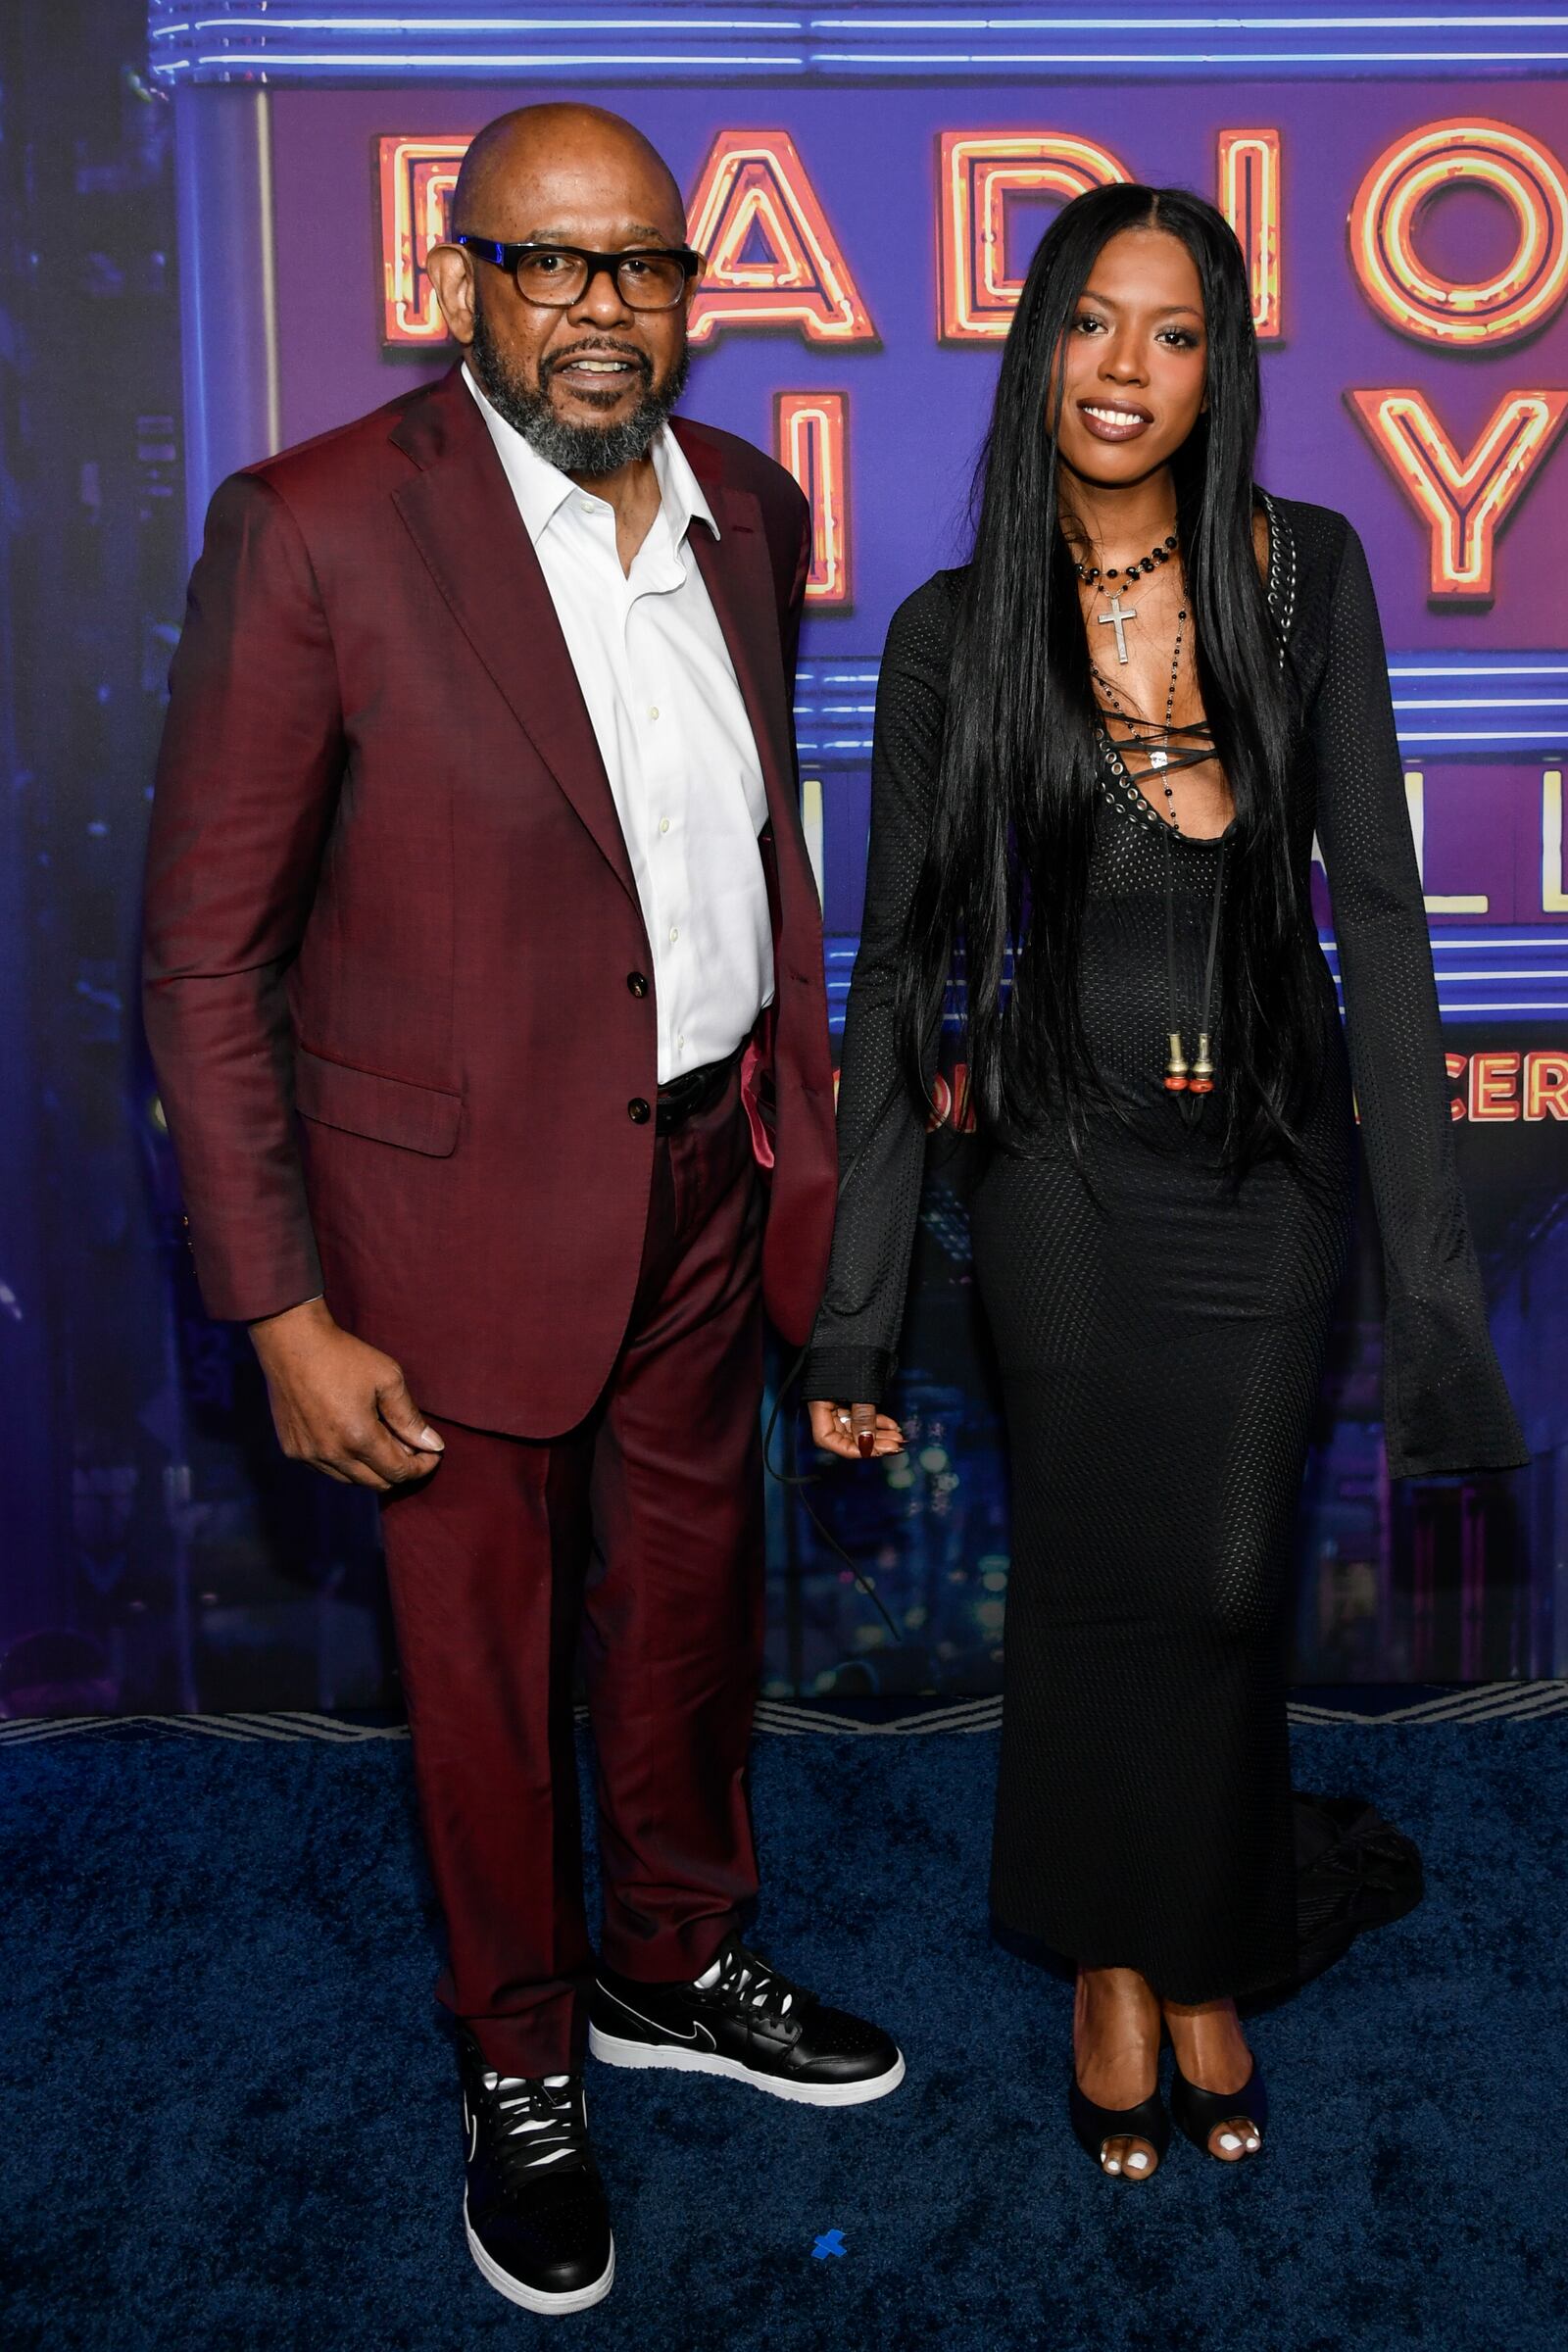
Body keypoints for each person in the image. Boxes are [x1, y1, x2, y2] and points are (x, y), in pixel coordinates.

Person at [143, 102, 902, 2318]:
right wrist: (279, 1306)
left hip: (701, 1180)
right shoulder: (314, 533)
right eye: (546, 263)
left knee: (683, 1615)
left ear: (690, 290)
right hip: (441, 1231)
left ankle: (673, 1955)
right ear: (455, 279)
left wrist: (796, 1147)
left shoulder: (746, 512)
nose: (599, 307)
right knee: (480, 1679)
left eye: (641, 266)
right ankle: (522, 2057)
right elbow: (203, 956)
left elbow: (737, 851)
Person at [804, 182, 1524, 2183]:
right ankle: (1145, 1972)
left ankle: (1159, 1924)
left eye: (1175, 332)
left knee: (1212, 1587)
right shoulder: (957, 630)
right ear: (1038, 349)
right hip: (1058, 1177)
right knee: (1097, 1581)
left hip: (1263, 1175)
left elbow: (1375, 927)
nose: (1126, 369)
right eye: (1093, 326)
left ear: (1219, 372)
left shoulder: (1305, 576)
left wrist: (1435, 1299)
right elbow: (897, 981)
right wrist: (858, 1303)